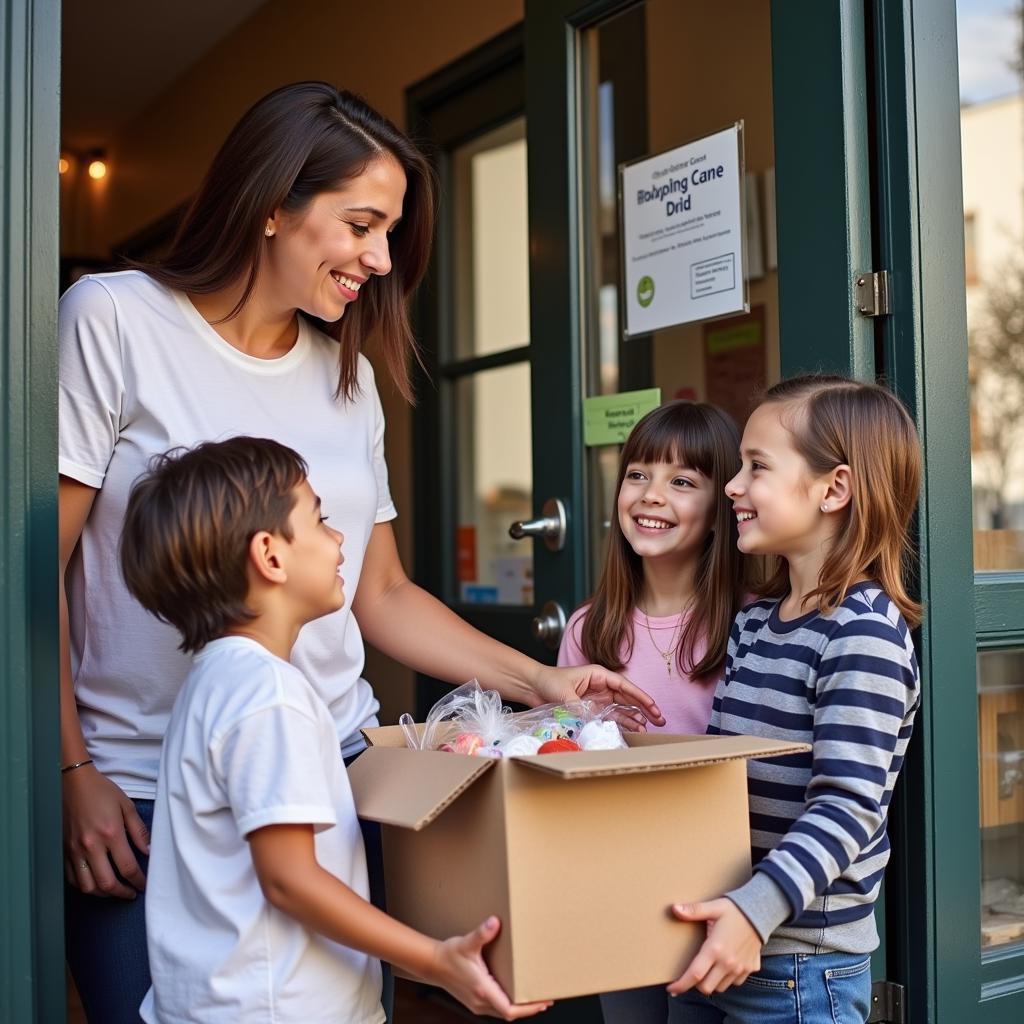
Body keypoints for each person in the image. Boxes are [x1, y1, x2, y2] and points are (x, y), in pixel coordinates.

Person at [58, 81, 662, 1023]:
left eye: (390, 233)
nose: (380, 261)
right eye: (362, 225)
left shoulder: (345, 377)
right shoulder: (114, 321)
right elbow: (36, 574)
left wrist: (539, 681)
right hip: (141, 785)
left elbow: (378, 594)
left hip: (333, 767)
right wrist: (71, 771)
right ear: (271, 206)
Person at [117, 436, 551, 1023]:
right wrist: (435, 958)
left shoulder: (216, 681)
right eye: (320, 519)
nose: (341, 536)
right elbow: (291, 880)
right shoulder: (269, 697)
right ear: (270, 556)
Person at [664, 374, 922, 1024]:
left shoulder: (862, 634)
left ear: (833, 489)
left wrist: (754, 914)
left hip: (798, 966)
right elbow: (722, 779)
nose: (732, 486)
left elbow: (846, 807)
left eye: (757, 468)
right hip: (719, 937)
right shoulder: (756, 625)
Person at [556, 400, 747, 1023]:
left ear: (723, 508)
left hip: (717, 891)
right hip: (620, 888)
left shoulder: (750, 623)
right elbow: (562, 762)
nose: (651, 495)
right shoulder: (589, 629)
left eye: (682, 481)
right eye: (637, 474)